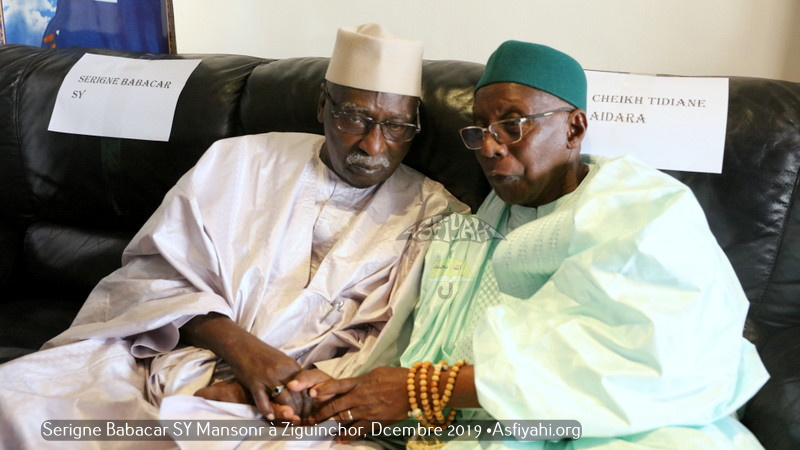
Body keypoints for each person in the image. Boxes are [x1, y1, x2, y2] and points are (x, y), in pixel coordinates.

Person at [0, 23, 467, 446]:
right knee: (20, 402)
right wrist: (243, 351)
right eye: (354, 118)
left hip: (308, 404)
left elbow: (403, 341)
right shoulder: (238, 163)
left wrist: (283, 390)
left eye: (396, 126)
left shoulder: (437, 215)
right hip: (176, 356)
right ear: (322, 105)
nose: (374, 145)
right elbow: (152, 278)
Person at [304, 40, 770, 448]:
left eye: (512, 125)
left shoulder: (642, 206)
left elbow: (656, 351)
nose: (489, 147)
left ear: (574, 128)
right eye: (480, 129)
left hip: (635, 426)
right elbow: (404, 346)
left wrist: (425, 390)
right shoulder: (460, 233)